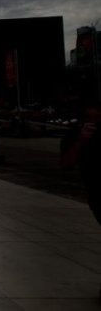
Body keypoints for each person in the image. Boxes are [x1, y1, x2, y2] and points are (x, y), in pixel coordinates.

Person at [60, 103, 101, 299]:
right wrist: (81, 140)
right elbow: (66, 163)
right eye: (89, 119)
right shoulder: (75, 135)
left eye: (97, 119)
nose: (93, 123)